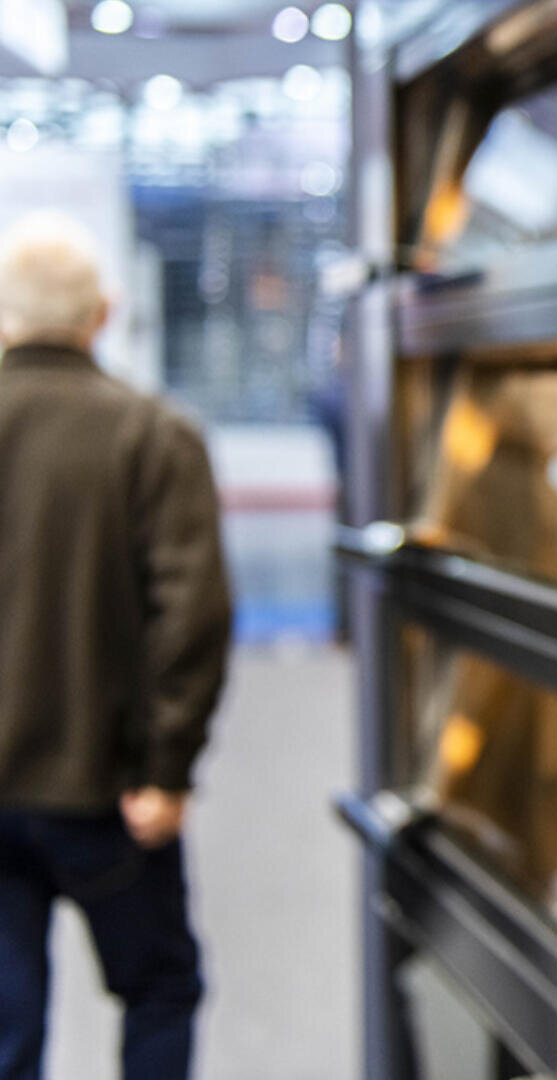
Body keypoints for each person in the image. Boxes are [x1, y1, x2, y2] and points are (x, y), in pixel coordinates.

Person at [0, 213, 232, 1079]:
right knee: (160, 988)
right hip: (111, 795)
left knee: (6, 1028)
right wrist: (168, 768)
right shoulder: (154, 435)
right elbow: (193, 617)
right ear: (104, 314)